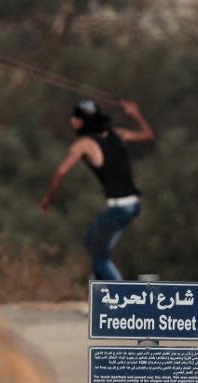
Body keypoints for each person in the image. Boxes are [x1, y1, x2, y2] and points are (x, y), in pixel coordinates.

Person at [41, 98, 154, 280]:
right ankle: (102, 293)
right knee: (89, 242)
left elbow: (60, 173)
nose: (72, 121)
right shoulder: (118, 133)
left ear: (85, 121)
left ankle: (121, 297)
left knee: (99, 256)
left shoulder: (83, 145)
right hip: (131, 204)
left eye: (76, 118)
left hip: (120, 207)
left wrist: (48, 197)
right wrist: (135, 114)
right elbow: (148, 134)